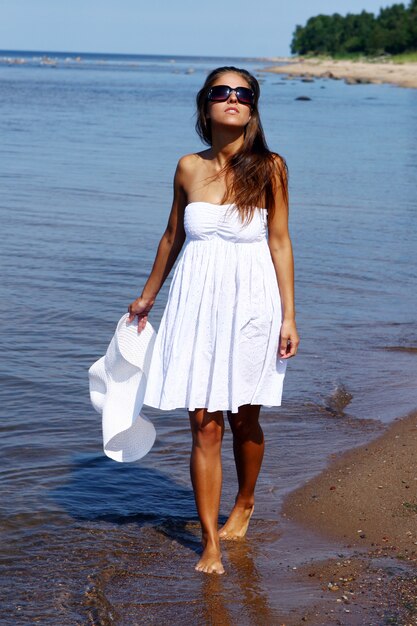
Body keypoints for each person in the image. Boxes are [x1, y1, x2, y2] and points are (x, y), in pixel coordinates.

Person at [128, 66, 299, 575]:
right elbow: (171, 238)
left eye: (242, 93)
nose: (232, 99)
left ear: (252, 107)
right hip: (195, 305)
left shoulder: (271, 168)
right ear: (206, 105)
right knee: (204, 426)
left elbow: (280, 242)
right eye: (221, 92)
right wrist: (146, 298)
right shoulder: (186, 167)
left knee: (246, 418)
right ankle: (210, 542)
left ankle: (244, 503)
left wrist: (290, 317)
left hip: (253, 305)